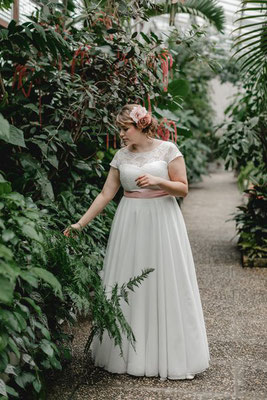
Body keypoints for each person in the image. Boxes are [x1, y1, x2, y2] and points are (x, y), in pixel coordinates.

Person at [63, 103, 210, 380]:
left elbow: (183, 188)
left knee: (164, 281)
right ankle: (128, 354)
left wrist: (157, 181)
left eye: (125, 128)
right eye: (119, 129)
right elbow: (106, 194)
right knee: (127, 283)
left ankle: (169, 355)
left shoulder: (168, 150)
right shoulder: (120, 156)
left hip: (163, 220)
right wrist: (80, 224)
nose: (121, 134)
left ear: (141, 125)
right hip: (129, 221)